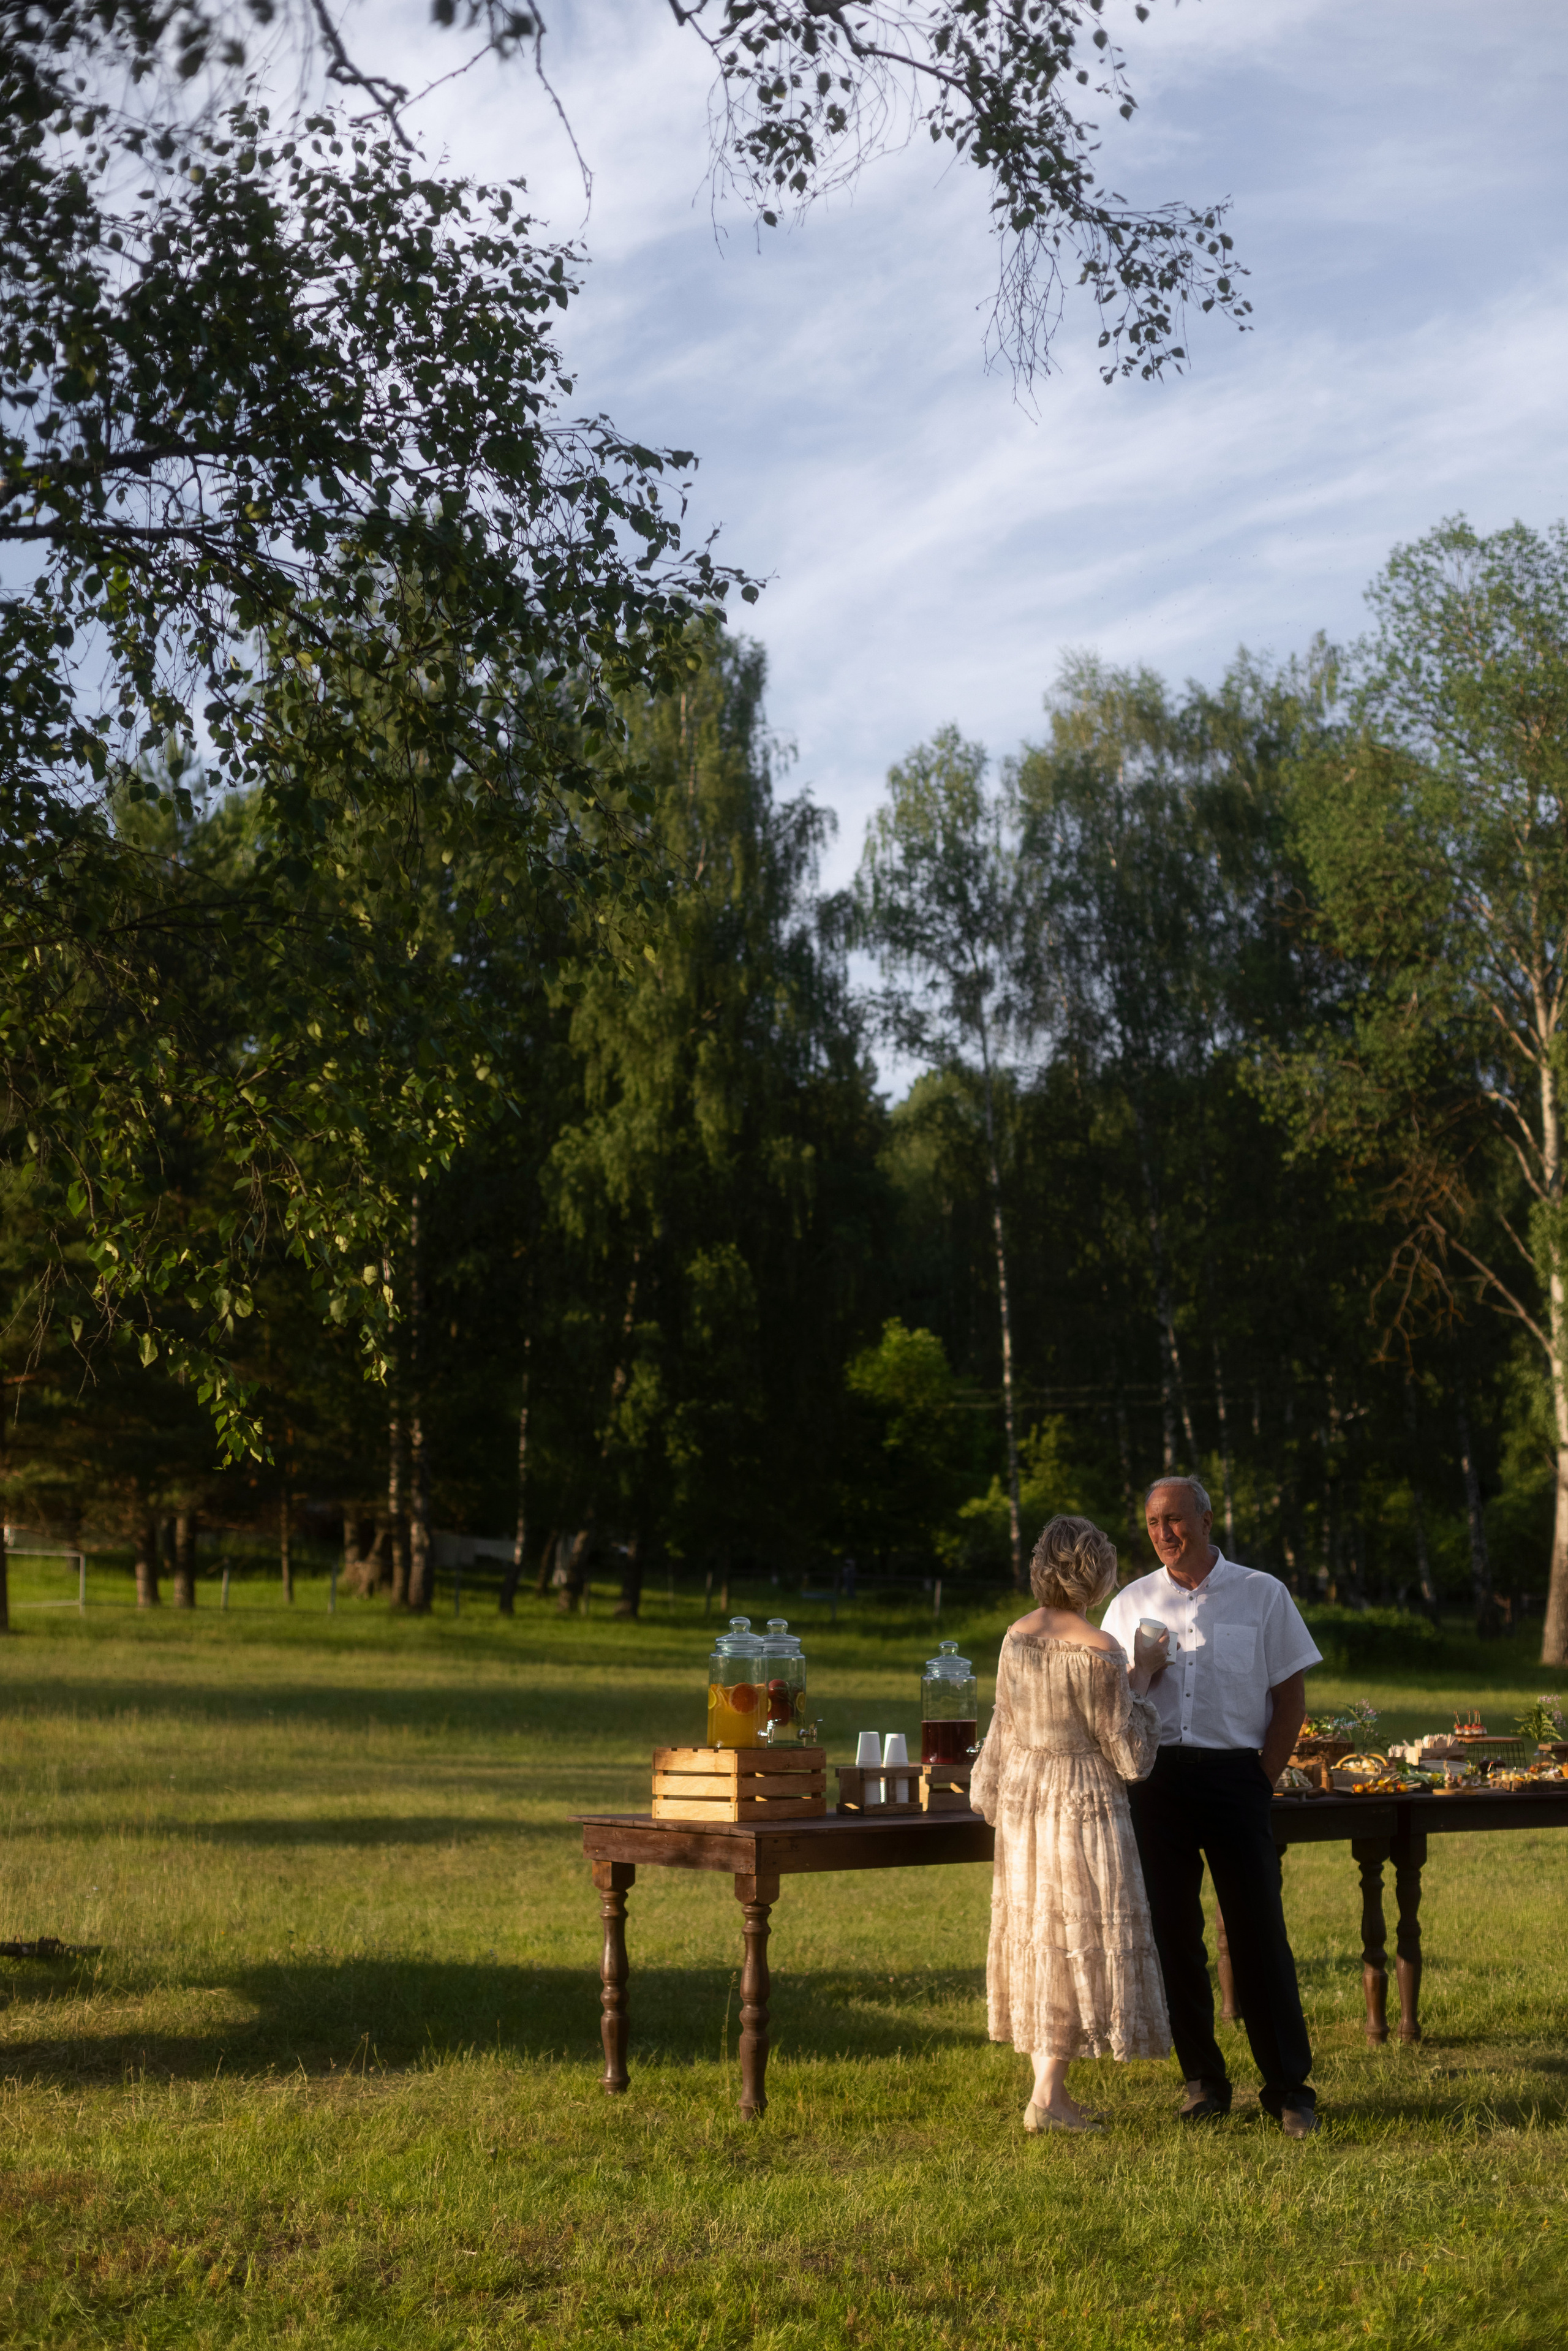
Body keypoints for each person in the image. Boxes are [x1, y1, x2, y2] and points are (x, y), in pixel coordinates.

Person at [1101, 1475, 1324, 2138]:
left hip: (1236, 1779)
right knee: (1172, 1935)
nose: (1165, 1533)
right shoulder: (1132, 1601)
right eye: (1152, 1523)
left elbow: (1290, 1699)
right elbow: (1113, 1703)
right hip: (1158, 1782)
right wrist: (1141, 1670)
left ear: (1205, 1516)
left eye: (1175, 1519)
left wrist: (1260, 1777)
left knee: (1258, 1936)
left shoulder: (1262, 1594)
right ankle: (1202, 2082)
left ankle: (1288, 2088)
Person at [970, 1513, 1170, 2134]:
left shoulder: (1015, 1635)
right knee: (1074, 1936)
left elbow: (1002, 1724)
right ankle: (1047, 2098)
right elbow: (1127, 1751)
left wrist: (993, 1791)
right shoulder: (1100, 1649)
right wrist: (1145, 1673)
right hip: (1080, 1801)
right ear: (1097, 1573)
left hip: (1027, 1796)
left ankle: (1048, 2095)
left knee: (1038, 1931)